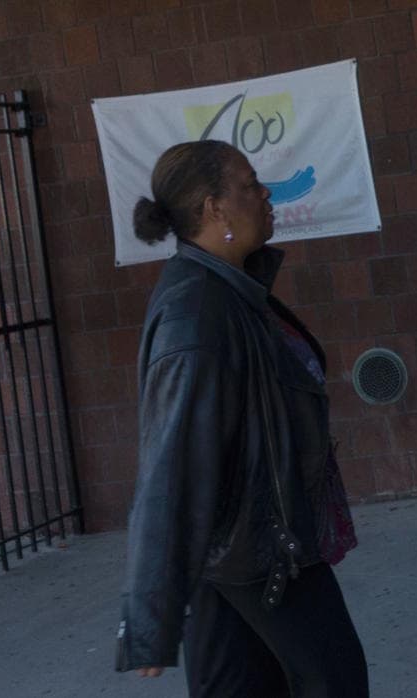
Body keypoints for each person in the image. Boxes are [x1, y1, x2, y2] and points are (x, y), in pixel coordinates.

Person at [114, 140, 366, 697]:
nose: (266, 192)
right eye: (250, 184)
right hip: (260, 552)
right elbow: (170, 465)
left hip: (236, 550)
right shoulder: (196, 313)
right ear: (214, 208)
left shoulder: (231, 290)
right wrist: (149, 615)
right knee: (335, 680)